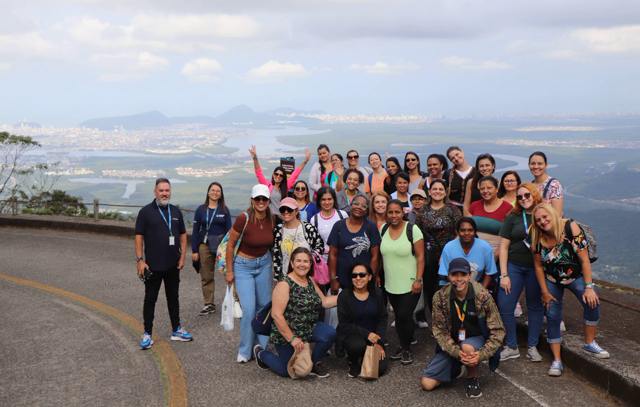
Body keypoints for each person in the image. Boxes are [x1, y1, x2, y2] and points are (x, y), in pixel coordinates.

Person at [531, 203, 609, 376]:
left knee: (592, 302)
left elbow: (584, 260)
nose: (543, 222)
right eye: (539, 220)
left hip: (575, 276)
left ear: (552, 215)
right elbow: (537, 266)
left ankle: (589, 342)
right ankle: (557, 361)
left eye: (545, 217)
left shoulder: (570, 227)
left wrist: (589, 287)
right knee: (552, 314)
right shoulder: (536, 235)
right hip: (552, 279)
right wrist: (544, 292)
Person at [421, 258, 505, 399]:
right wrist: (457, 353)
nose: (458, 279)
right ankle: (459, 367)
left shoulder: (482, 295)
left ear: (469, 275)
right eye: (454, 275)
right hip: (453, 343)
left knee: (467, 346)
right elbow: (439, 332)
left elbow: (498, 331)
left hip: (476, 340)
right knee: (427, 384)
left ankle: (472, 379)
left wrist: (481, 355)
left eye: (463, 274)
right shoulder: (440, 297)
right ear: (448, 276)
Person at [255, 247, 338, 378]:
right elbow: (276, 315)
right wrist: (292, 339)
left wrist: (346, 297)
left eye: (306, 261)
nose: (302, 264)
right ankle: (261, 353)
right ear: (292, 263)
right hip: (287, 333)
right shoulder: (284, 284)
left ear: (310, 264)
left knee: (330, 334)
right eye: (298, 261)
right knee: (286, 371)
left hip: (308, 327)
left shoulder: (310, 280)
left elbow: (325, 302)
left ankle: (313, 363)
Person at [135, 178, 192, 349]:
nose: (164, 193)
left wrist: (182, 257)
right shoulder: (145, 212)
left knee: (173, 298)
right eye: (161, 190)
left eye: (167, 190)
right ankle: (147, 334)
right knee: (150, 299)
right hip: (152, 265)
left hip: (173, 265)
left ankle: (176, 329)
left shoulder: (175, 211)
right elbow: (139, 237)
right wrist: (140, 260)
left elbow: (182, 235)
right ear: (155, 192)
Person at [225, 184, 275, 363]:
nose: (261, 202)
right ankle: (245, 349)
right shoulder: (243, 218)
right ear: (252, 200)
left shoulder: (272, 218)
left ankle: (261, 347)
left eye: (264, 199)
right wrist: (230, 271)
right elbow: (230, 244)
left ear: (269, 201)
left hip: (264, 263)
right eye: (257, 199)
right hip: (243, 266)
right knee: (249, 309)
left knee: (264, 306)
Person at [497, 183, 544, 362]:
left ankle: (532, 346)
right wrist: (504, 274)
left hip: (536, 268)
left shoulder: (543, 214)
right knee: (505, 304)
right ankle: (511, 346)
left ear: (534, 194)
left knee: (534, 306)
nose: (523, 199)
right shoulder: (513, 216)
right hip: (514, 266)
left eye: (527, 195)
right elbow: (504, 246)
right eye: (519, 197)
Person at [380, 199, 425, 365]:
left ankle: (406, 349)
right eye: (390, 212)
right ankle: (404, 342)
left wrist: (418, 279)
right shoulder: (383, 229)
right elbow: (381, 254)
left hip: (410, 283)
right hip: (391, 283)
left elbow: (420, 257)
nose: (393, 215)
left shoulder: (413, 229)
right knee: (399, 317)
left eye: (397, 212)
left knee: (403, 315)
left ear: (403, 212)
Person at [414, 179, 462, 322]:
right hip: (428, 255)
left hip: (449, 254)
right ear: (429, 192)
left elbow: (460, 231)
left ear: (445, 191)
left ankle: (452, 317)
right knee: (430, 288)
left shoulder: (452, 209)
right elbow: (418, 233)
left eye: (441, 189)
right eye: (434, 189)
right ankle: (436, 318)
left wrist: (448, 252)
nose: (437, 192)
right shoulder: (423, 210)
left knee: (450, 286)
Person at [337, 263, 389, 378]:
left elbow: (382, 318)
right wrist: (367, 334)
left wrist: (379, 343)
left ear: (369, 277)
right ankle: (353, 361)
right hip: (353, 335)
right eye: (354, 275)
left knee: (379, 370)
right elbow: (344, 325)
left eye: (362, 275)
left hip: (374, 337)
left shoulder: (377, 293)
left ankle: (365, 356)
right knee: (356, 345)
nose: (358, 278)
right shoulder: (344, 296)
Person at [190, 181, 232, 316]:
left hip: (221, 247)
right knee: (206, 276)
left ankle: (233, 301)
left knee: (229, 274)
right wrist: (195, 250)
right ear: (208, 192)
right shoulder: (201, 210)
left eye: (218, 191)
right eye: (213, 190)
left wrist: (229, 250)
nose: (215, 192)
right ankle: (209, 304)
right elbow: (195, 230)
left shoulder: (224, 210)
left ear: (221, 194)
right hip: (204, 245)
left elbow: (229, 232)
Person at [328, 195, 381, 292]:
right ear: (351, 205)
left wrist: (370, 278)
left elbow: (375, 256)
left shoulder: (371, 227)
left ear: (366, 210)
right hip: (342, 280)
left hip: (363, 280)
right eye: (356, 204)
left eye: (363, 206)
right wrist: (333, 279)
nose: (359, 207)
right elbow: (332, 254)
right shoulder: (338, 226)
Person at [272, 197, 325, 281]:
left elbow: (320, 246)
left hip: (307, 277)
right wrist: (277, 277)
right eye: (282, 209)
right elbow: (276, 255)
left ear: (296, 211)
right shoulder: (278, 230)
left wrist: (307, 259)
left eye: (289, 209)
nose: (286, 212)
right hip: (286, 277)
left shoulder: (308, 228)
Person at [249, 145, 311, 213]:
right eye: (276, 174)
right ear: (273, 175)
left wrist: (305, 161)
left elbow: (295, 174)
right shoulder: (267, 185)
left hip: (281, 218)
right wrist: (255, 158)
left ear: (283, 178)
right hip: (269, 218)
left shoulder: (285, 186)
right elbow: (259, 173)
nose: (278, 176)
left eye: (281, 175)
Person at [439, 217, 497, 289]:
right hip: (452, 285)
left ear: (475, 232)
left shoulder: (485, 247)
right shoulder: (449, 247)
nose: (466, 233)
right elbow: (445, 272)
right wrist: (459, 288)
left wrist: (482, 291)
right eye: (463, 230)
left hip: (476, 285)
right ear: (457, 232)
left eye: (470, 230)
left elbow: (490, 273)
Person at [309, 187, 348, 265]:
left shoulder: (343, 215)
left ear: (334, 200)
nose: (327, 202)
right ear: (319, 201)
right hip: (323, 262)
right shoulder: (314, 219)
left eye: (329, 199)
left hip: (342, 259)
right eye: (323, 199)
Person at [529, 151, 564, 216]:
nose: (536, 166)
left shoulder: (554, 185)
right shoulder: (530, 186)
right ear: (529, 165)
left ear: (546, 165)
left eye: (540, 164)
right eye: (533, 163)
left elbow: (557, 215)